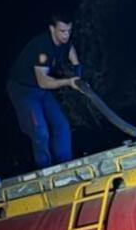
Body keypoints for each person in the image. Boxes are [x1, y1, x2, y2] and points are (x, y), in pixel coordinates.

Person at [7, 12, 83, 169]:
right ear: (51, 29)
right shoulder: (42, 49)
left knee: (62, 125)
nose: (66, 35)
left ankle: (65, 165)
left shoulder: (65, 41)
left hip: (41, 90)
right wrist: (69, 81)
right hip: (24, 91)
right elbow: (44, 82)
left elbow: (71, 52)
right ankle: (45, 168)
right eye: (62, 31)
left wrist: (78, 72)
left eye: (69, 30)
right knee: (41, 133)